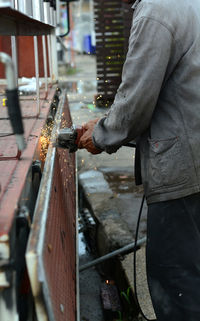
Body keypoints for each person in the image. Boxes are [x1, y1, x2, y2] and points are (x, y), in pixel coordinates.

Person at [78, 0, 200, 320]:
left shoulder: (155, 10)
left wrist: (103, 134)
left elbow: (137, 99)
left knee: (177, 283)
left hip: (182, 174)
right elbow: (180, 95)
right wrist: (107, 124)